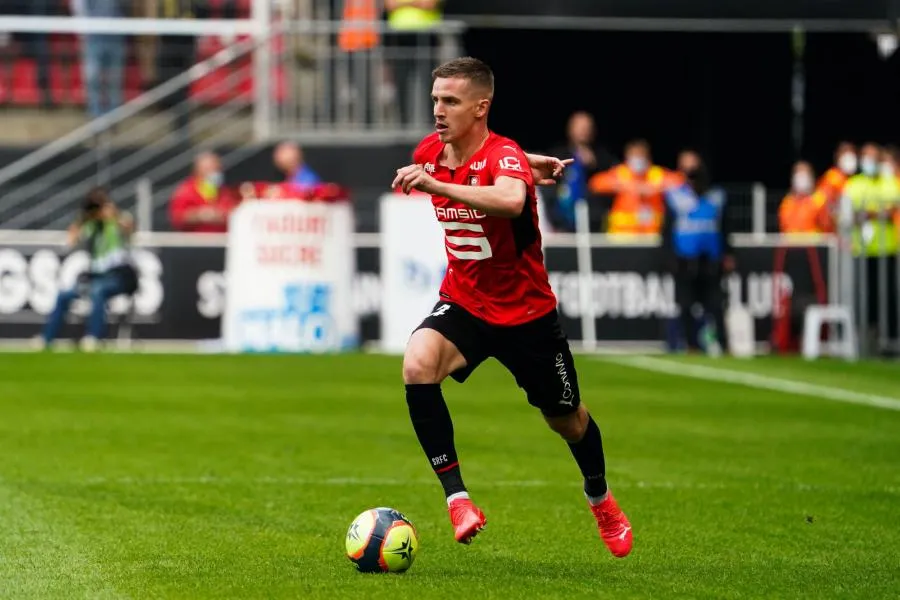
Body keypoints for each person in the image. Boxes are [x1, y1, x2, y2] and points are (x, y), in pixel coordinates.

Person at [391, 57, 632, 558]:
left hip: (527, 317)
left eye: (451, 101)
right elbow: (488, 168)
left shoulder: (502, 157)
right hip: (465, 301)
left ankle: (600, 498)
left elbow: (510, 200)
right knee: (417, 364)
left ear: (481, 107)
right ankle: (458, 501)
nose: (438, 110)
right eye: (436, 99)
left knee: (568, 420)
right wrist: (525, 161)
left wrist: (443, 184)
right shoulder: (431, 152)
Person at [41, 188, 138, 352]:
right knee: (64, 295)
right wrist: (82, 220)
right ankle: (47, 338)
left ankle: (94, 337)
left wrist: (113, 215)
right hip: (97, 277)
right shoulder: (91, 226)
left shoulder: (118, 221)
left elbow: (130, 228)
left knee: (97, 291)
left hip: (120, 277)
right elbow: (71, 240)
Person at [660, 154, 735, 355]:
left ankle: (723, 344)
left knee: (716, 305)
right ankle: (690, 345)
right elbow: (667, 230)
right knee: (685, 305)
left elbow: (725, 228)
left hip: (710, 261)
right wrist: (669, 257)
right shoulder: (675, 196)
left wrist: (728, 254)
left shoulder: (716, 196)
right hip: (685, 261)